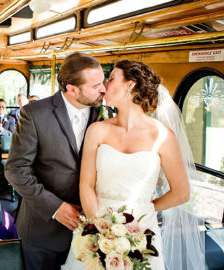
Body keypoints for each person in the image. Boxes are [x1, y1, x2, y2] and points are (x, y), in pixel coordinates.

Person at [63, 60, 204, 269]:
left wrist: (144, 209)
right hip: (97, 228)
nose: (104, 86)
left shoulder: (163, 136)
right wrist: (99, 228)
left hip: (141, 232)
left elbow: (182, 193)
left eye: (111, 79)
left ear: (130, 85)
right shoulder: (97, 130)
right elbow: (86, 185)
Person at [5, 52, 106, 270]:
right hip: (44, 228)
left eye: (103, 82)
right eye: (96, 85)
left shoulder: (106, 112)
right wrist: (55, 207)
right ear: (72, 89)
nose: (103, 89)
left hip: (94, 228)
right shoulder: (34, 113)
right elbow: (16, 170)